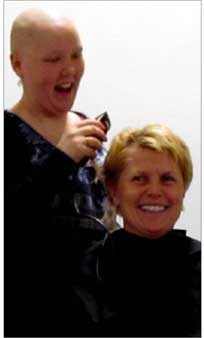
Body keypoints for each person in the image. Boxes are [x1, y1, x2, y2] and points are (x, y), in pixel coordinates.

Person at [4, 8, 110, 337]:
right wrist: (60, 162)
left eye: (77, 55)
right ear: (18, 64)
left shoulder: (94, 130)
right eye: (53, 59)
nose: (70, 70)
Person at [98, 124, 201, 337]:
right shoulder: (85, 269)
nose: (155, 191)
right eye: (139, 179)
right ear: (114, 191)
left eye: (167, 179)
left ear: (183, 190)